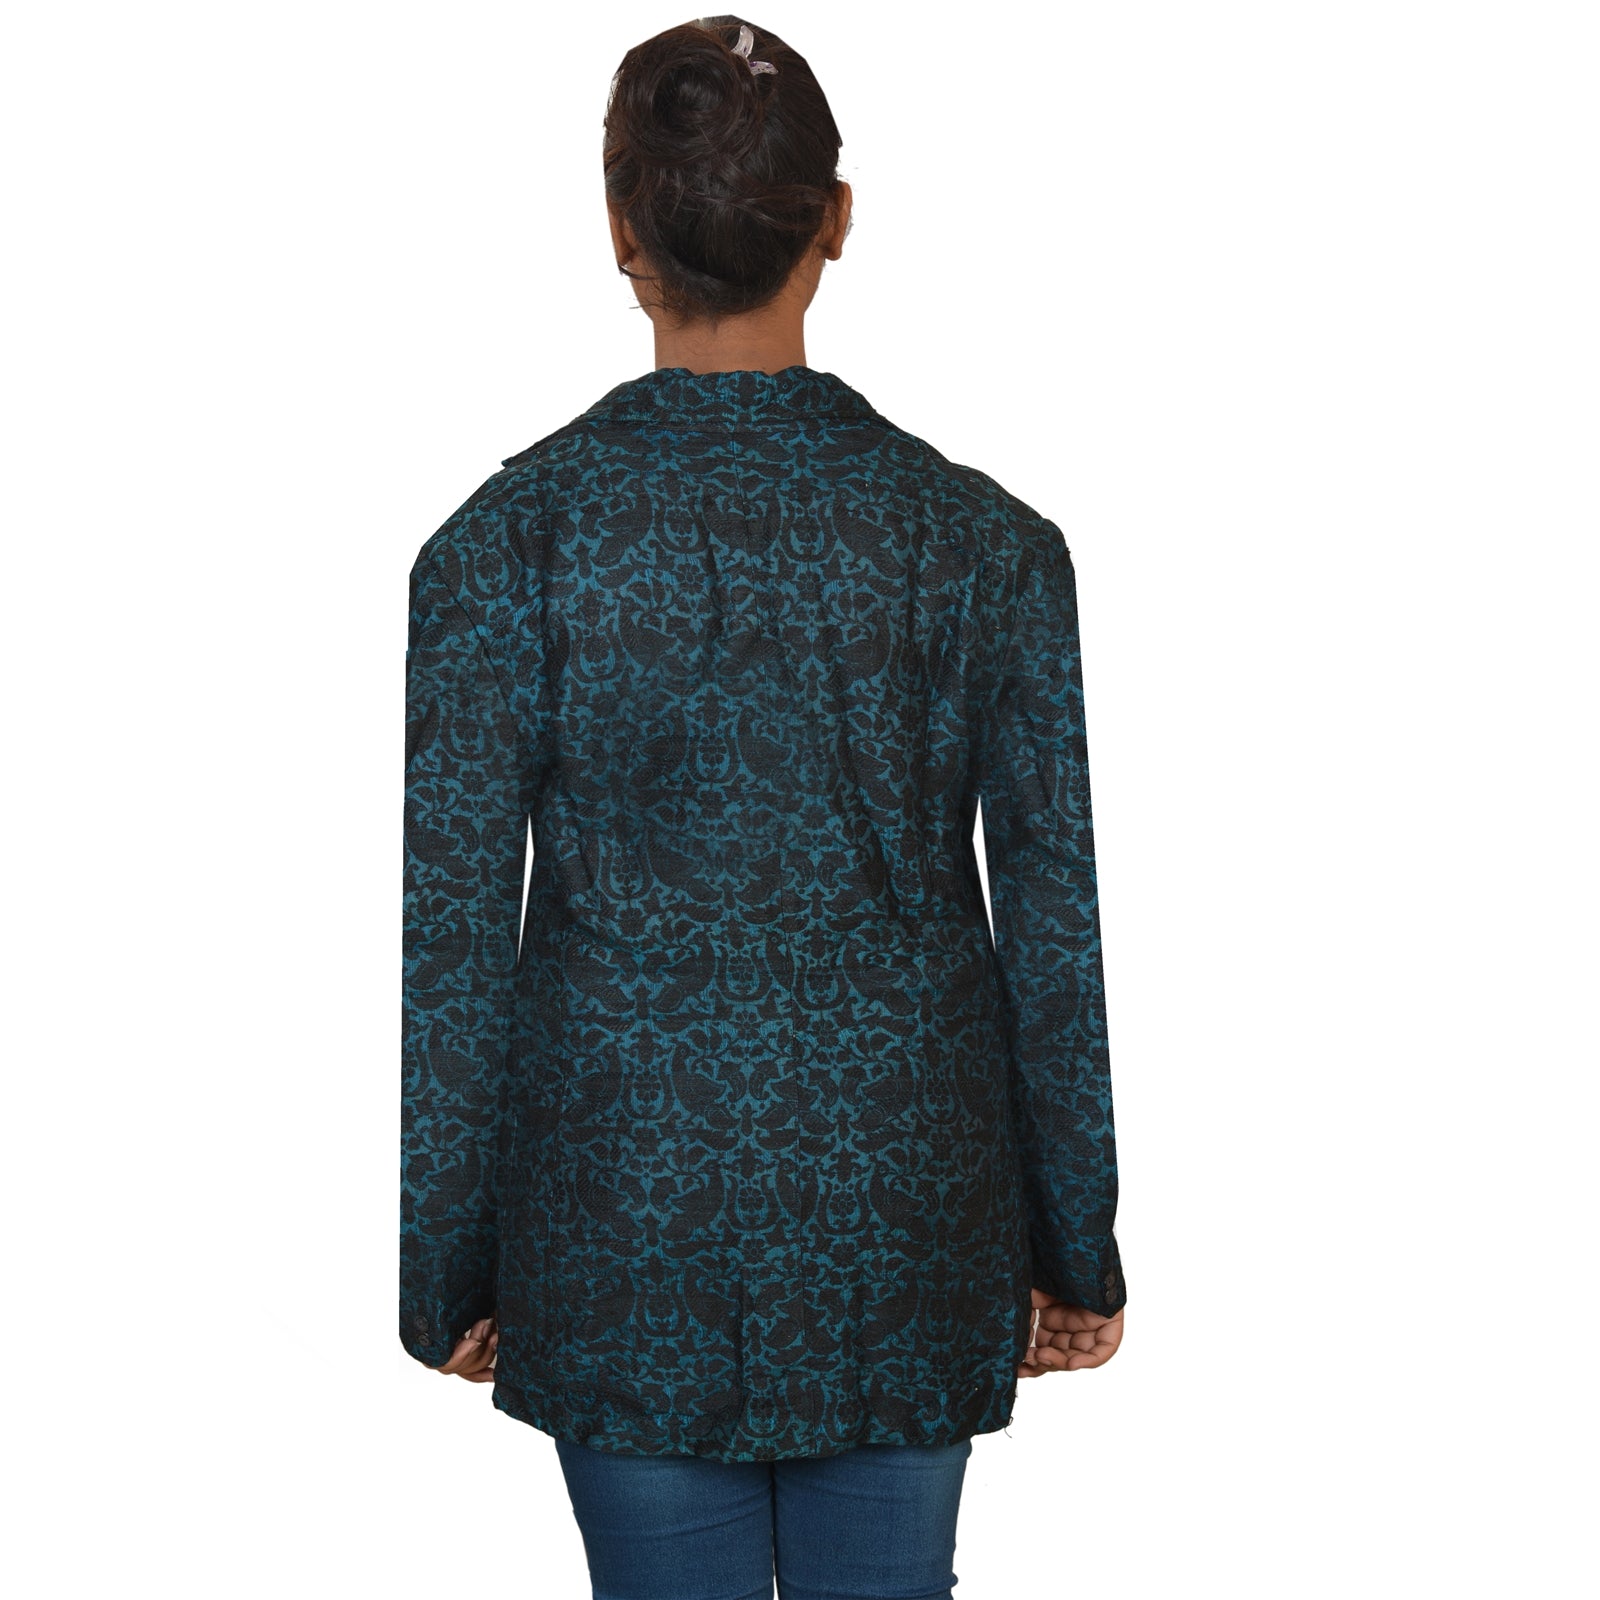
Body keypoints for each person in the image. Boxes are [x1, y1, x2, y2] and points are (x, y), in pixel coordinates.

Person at [400, 16, 1127, 1599]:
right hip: (907, 1204)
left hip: (623, 1217)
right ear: (835, 218)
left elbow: (452, 945)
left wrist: (443, 1265)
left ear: (621, 229)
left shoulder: (502, 548)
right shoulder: (988, 547)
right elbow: (1051, 926)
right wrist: (1077, 1241)